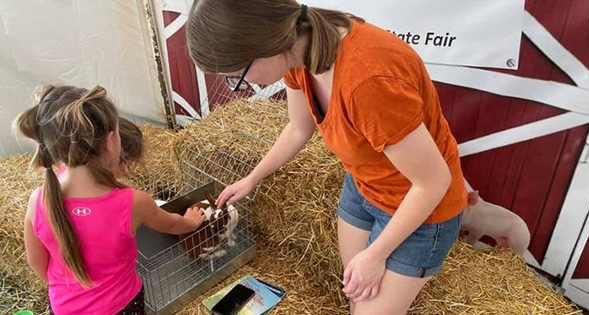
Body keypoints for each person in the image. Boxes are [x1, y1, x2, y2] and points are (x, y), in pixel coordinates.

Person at [186, 1, 467, 314]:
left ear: (265, 45)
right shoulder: (297, 52)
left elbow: (433, 182)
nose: (244, 85)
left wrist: (375, 256)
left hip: (418, 208)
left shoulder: (367, 80)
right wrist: (253, 177)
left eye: (237, 75)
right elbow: (297, 127)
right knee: (356, 294)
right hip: (363, 186)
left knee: (367, 294)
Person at [15, 85, 205, 315]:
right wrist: (191, 221)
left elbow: (36, 262)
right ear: (111, 140)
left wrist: (71, 288)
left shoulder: (39, 199)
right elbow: (172, 224)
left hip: (64, 307)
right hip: (121, 306)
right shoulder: (133, 202)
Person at [459, 191, 530, 255]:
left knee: (513, 256)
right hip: (517, 229)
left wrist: (465, 247)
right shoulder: (471, 212)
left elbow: (477, 231)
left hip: (517, 231)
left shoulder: (472, 215)